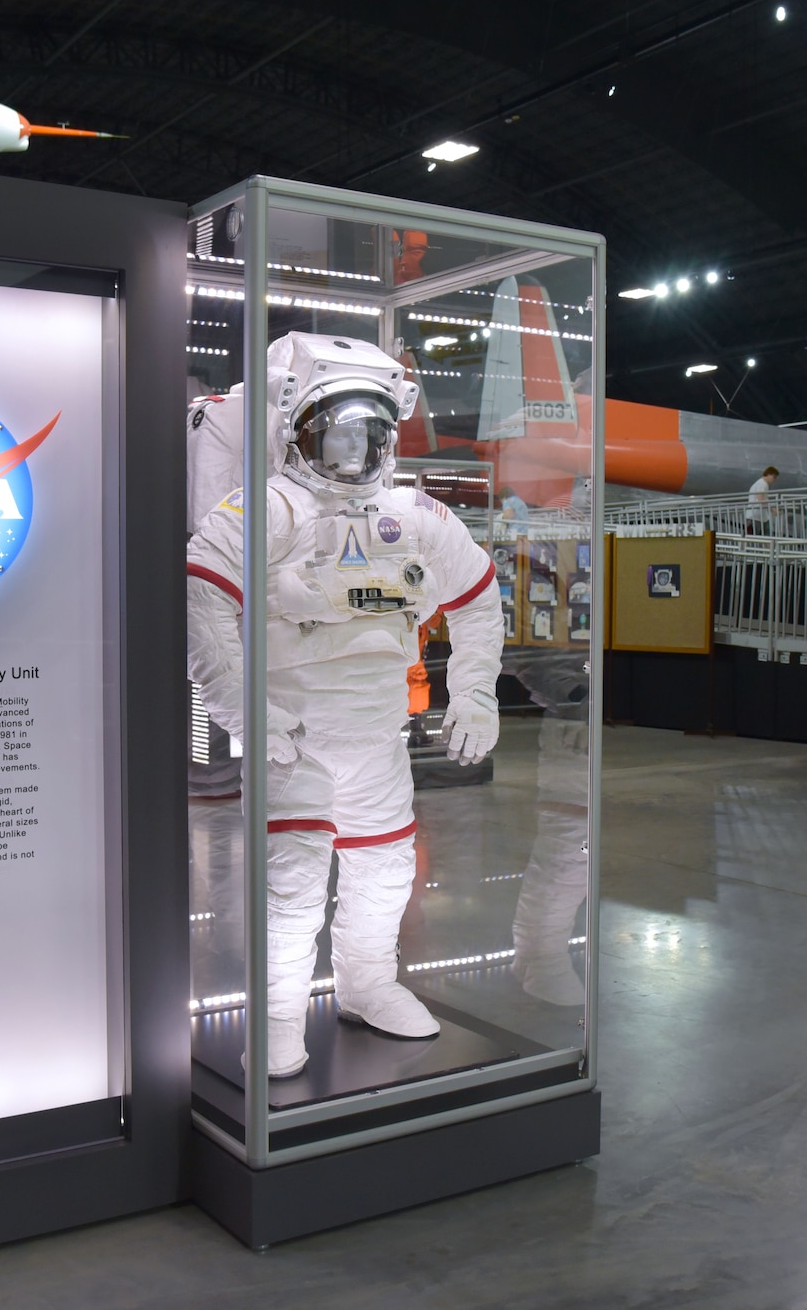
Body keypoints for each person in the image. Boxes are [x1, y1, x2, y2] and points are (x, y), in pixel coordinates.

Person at [187, 332, 505, 1079]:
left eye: (371, 433)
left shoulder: (413, 512)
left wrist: (476, 694)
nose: (354, 450)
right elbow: (202, 599)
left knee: (386, 871)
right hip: (293, 734)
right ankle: (275, 1021)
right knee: (293, 885)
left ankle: (368, 984)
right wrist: (245, 714)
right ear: (298, 431)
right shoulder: (270, 508)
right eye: (337, 432)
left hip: (375, 738)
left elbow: (478, 597)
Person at [744, 466, 779, 535]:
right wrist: (773, 509)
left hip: (761, 517)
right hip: (755, 517)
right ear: (768, 474)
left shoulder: (762, 483)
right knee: (754, 538)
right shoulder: (762, 484)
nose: (774, 480)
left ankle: (770, 545)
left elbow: (763, 498)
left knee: (765, 537)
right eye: (774, 477)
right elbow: (761, 499)